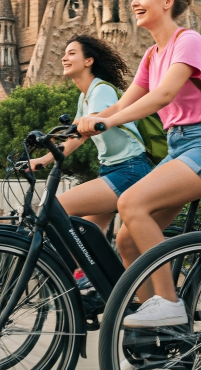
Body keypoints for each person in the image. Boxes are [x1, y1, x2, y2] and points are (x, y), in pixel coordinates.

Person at [74, 0, 201, 329]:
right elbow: (121, 104)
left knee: (131, 203)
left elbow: (161, 96)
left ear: (167, 2)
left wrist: (107, 122)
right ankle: (156, 333)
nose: (135, 1)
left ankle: (169, 302)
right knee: (126, 238)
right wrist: (84, 125)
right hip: (180, 146)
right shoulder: (152, 54)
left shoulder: (188, 40)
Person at [28, 35, 151, 232]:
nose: (64, 58)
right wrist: (43, 155)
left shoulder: (101, 90)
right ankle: (84, 265)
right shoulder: (85, 96)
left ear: (88, 60)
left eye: (72, 53)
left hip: (129, 169)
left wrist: (44, 159)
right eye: (64, 54)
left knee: (57, 206)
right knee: (88, 235)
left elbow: (84, 133)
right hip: (112, 169)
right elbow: (74, 135)